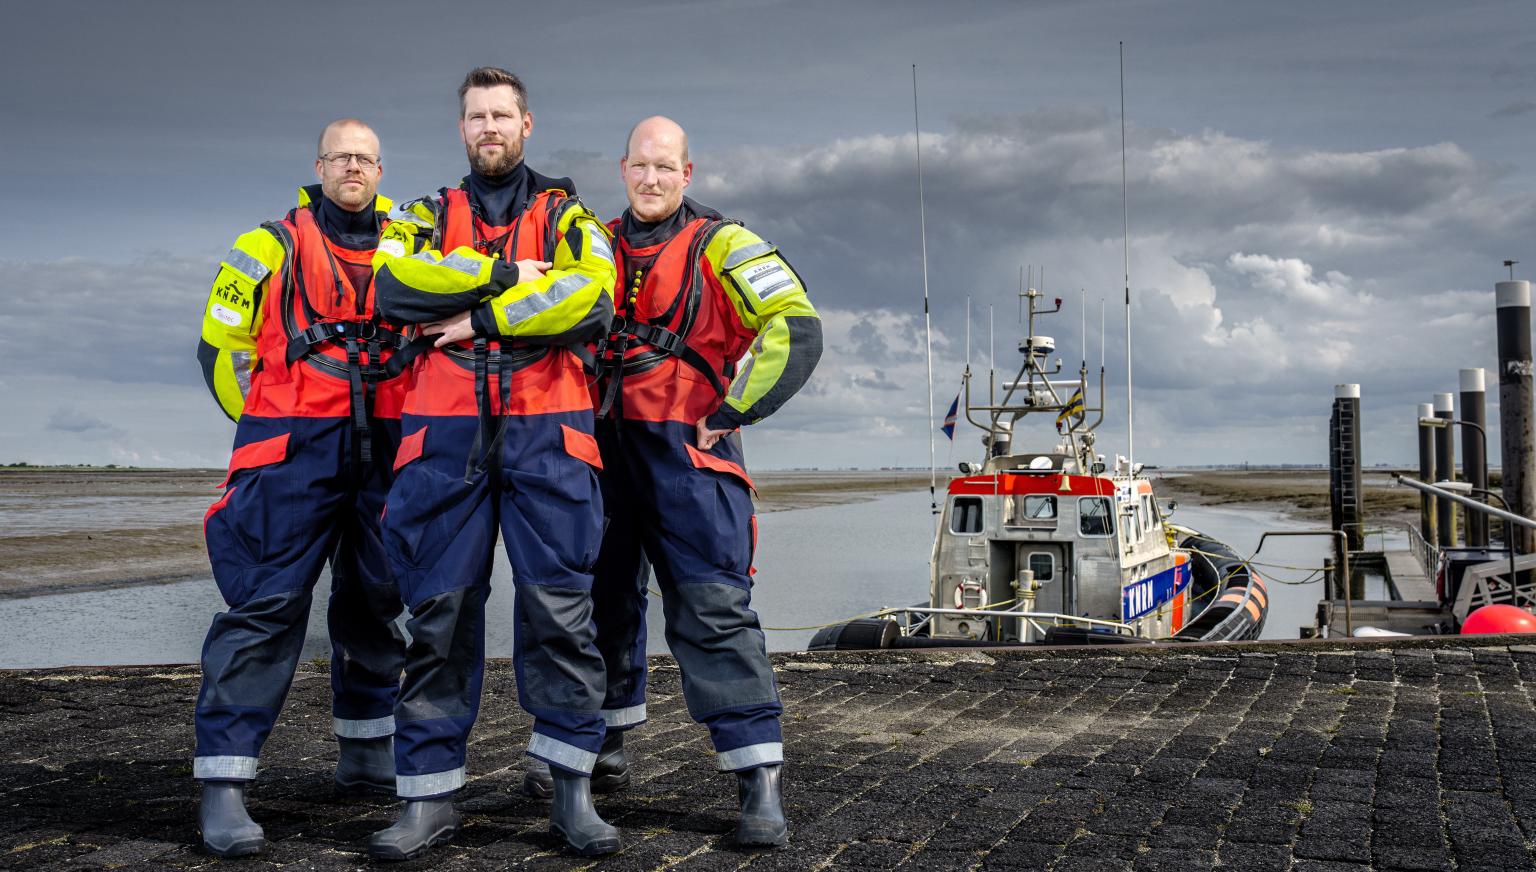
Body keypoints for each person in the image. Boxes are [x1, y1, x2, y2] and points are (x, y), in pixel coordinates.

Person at [523, 115, 822, 847]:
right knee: (596, 604)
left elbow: (797, 325)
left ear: (687, 174)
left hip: (689, 455)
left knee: (713, 610)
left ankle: (758, 783)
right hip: (596, 451)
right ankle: (607, 744)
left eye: (666, 168)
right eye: (639, 167)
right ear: (623, 170)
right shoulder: (590, 244)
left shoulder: (726, 245)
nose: (651, 179)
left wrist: (734, 407)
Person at [366, 67, 619, 860]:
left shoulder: (569, 215)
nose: (488, 128)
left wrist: (476, 317)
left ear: (527, 124)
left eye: (501, 115)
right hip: (442, 438)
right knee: (437, 619)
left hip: (551, 434)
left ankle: (572, 791)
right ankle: (428, 799)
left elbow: (594, 297)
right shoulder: (419, 214)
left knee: (561, 617)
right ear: (462, 127)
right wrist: (510, 277)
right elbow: (393, 287)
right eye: (476, 116)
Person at [193, 119, 409, 858]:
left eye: (365, 158)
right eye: (340, 156)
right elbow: (218, 348)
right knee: (264, 608)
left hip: (386, 448)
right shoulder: (265, 245)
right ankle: (224, 785)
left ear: (381, 169)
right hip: (291, 453)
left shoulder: (412, 243)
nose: (353, 166)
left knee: (378, 601)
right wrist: (261, 427)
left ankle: (366, 750)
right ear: (319, 165)